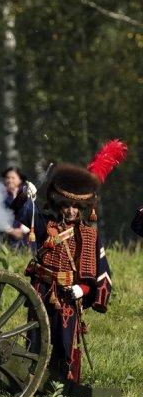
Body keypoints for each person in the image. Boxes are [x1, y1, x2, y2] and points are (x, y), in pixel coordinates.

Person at [10, 139, 126, 384]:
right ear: (59, 204)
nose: (71, 211)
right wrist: (23, 195)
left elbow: (100, 274)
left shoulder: (90, 235)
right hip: (41, 291)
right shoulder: (46, 224)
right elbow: (23, 212)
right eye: (67, 205)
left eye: (76, 206)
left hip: (68, 297)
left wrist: (82, 289)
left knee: (65, 343)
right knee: (35, 338)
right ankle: (28, 382)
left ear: (83, 207)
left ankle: (63, 386)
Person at [3, 166, 35, 249]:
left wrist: (21, 230)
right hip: (5, 234)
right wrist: (11, 231)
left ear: (20, 180)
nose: (10, 180)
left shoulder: (27, 194)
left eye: (13, 178)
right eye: (7, 178)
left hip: (25, 235)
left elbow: (31, 215)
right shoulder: (0, 195)